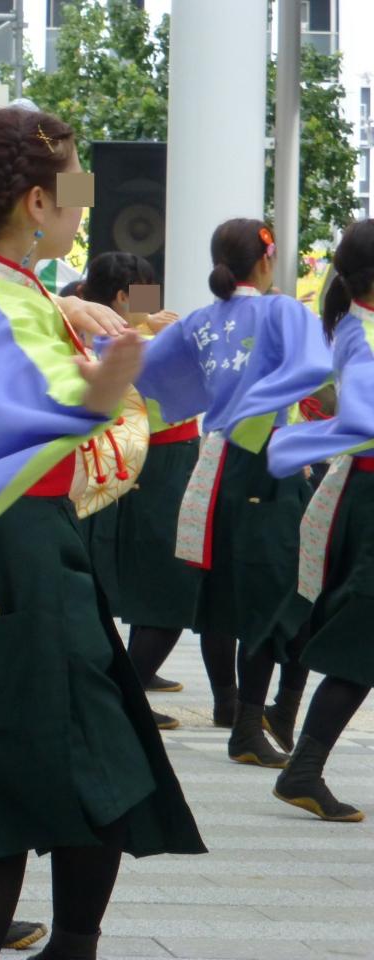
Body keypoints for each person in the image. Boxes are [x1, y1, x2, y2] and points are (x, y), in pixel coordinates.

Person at [0, 105, 206, 960]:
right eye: (76, 185)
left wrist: (72, 310)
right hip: (14, 545)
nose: (85, 201)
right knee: (76, 768)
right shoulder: (0, 297)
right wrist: (108, 385)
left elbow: (11, 354)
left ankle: (70, 944)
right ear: (38, 201)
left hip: (4, 544)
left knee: (38, 765)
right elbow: (30, 399)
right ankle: (72, 944)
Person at [134, 218, 332, 767]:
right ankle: (257, 719)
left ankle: (246, 713)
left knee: (231, 595)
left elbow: (146, 374)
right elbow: (319, 368)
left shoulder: (200, 320)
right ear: (266, 259)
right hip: (264, 458)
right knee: (284, 592)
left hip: (215, 462)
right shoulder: (283, 311)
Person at [266, 218, 374, 821]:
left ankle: (294, 744)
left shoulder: (360, 324)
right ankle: (303, 767)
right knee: (362, 638)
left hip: (361, 490)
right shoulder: (362, 334)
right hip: (369, 495)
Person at [78, 252, 197, 729]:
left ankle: (132, 683)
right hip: (153, 464)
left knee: (153, 585)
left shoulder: (131, 335)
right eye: (147, 291)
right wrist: (163, 335)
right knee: (167, 586)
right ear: (123, 296)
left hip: (161, 463)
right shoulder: (118, 341)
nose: (155, 302)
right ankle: (127, 693)